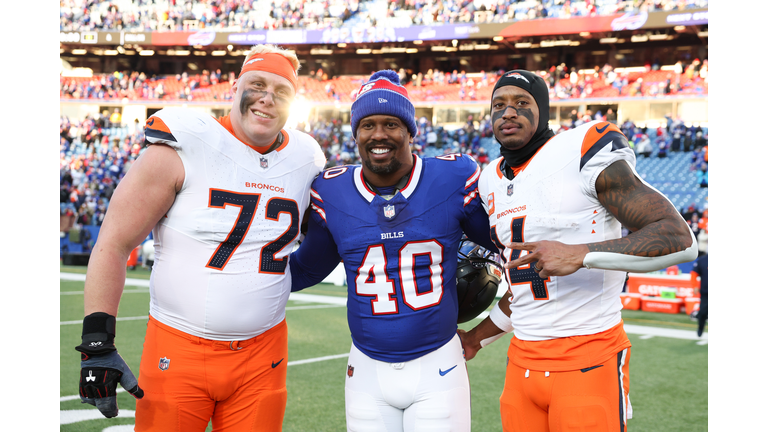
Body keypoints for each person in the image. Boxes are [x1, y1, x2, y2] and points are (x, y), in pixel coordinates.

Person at [75, 44, 326, 431]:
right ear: (234, 87)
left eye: (282, 91)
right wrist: (97, 344)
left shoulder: (306, 157)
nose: (266, 98)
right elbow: (113, 243)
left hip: (264, 355)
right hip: (178, 348)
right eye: (257, 84)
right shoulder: (184, 144)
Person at [457, 69, 698, 432]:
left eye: (522, 103)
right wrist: (475, 338)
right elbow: (527, 291)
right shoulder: (490, 178)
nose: (508, 113)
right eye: (499, 105)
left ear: (543, 110)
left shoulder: (580, 148)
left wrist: (580, 253)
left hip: (588, 358)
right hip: (522, 361)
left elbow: (679, 239)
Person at [288, 69, 499, 432]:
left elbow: (510, 246)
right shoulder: (331, 191)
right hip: (366, 372)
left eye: (391, 124)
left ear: (411, 131)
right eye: (367, 125)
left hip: (439, 367)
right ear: (355, 133)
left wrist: (486, 332)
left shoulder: (451, 178)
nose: (379, 134)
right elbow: (306, 269)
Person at [691, 253, 708, 337]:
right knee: (702, 313)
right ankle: (700, 329)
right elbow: (694, 273)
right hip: (706, 293)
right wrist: (694, 286)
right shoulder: (703, 260)